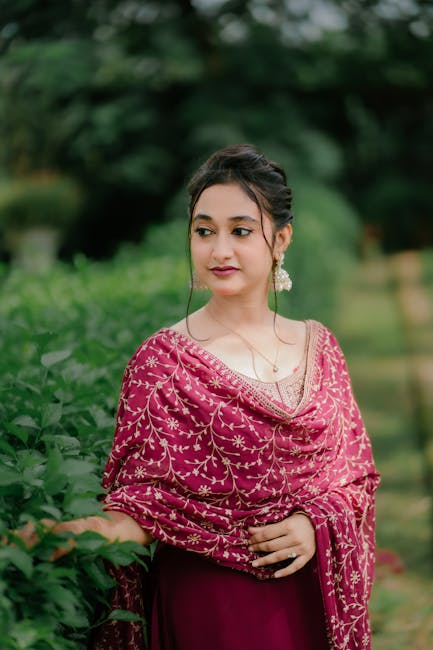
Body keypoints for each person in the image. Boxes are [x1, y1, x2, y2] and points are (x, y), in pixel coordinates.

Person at [20, 144, 380, 650]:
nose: (219, 251)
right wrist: (74, 534)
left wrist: (312, 524)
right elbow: (145, 508)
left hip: (305, 599)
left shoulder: (320, 348)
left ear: (281, 240)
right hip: (209, 608)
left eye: (241, 231)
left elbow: (355, 480)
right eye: (204, 231)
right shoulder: (163, 361)